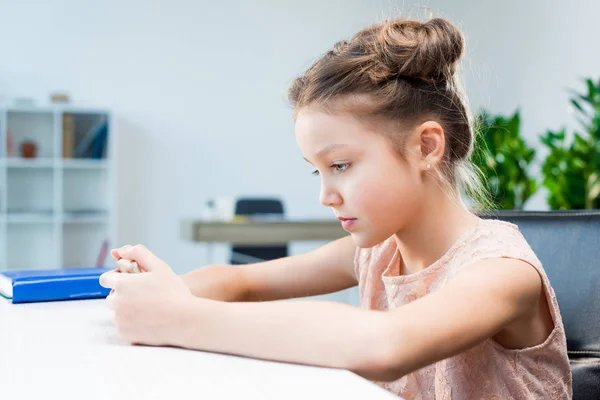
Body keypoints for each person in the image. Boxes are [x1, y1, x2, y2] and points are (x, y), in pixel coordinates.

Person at [100, 16, 572, 399]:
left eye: (341, 164)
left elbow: (387, 345)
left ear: (427, 147)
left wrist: (177, 318)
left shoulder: (502, 271)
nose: (326, 194)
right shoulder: (376, 251)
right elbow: (241, 281)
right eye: (317, 170)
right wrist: (157, 294)